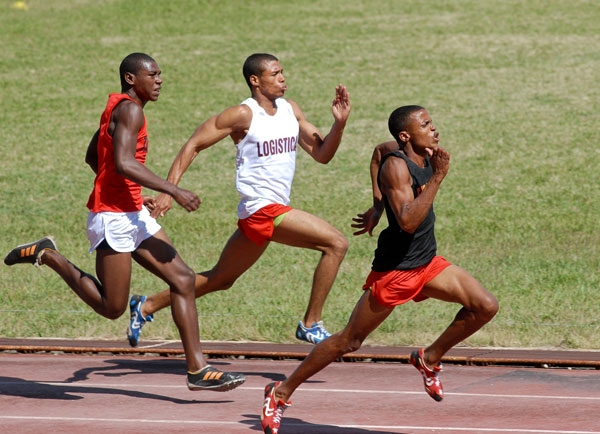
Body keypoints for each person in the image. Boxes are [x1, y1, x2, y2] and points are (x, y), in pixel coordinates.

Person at [3, 52, 245, 392]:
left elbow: (94, 157)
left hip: (131, 211)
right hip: (112, 219)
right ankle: (49, 255)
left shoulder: (119, 108)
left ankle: (198, 369)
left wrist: (129, 193)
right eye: (153, 74)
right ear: (132, 79)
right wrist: (172, 190)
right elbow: (124, 163)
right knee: (112, 307)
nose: (160, 80)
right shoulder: (130, 110)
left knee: (184, 279)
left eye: (161, 74)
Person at [260, 105, 499, 433]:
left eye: (431, 122)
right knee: (349, 341)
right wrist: (438, 177)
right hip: (396, 270)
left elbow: (376, 150)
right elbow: (408, 221)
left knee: (485, 306)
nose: (434, 129)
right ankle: (280, 392)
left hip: (427, 263)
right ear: (406, 136)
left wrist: (377, 205)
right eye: (426, 125)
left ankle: (429, 358)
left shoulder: (410, 151)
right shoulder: (396, 168)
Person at [126, 52, 351, 347]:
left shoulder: (290, 110)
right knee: (336, 243)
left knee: (221, 279)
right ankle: (311, 323)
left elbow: (322, 154)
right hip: (262, 209)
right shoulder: (242, 115)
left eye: (282, 72)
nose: (283, 78)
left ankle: (146, 305)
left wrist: (339, 125)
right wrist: (170, 190)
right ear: (255, 80)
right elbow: (193, 144)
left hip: (265, 212)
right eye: (275, 73)